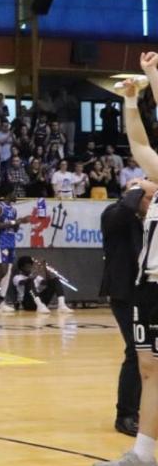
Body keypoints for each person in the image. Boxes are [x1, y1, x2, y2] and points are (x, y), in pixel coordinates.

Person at [95, 68, 158, 466]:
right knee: (148, 367)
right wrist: (131, 99)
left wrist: (153, 74)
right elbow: (137, 141)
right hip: (148, 282)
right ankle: (145, 454)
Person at [100, 182, 155, 437]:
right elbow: (124, 210)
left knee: (150, 354)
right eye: (149, 198)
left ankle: (145, 410)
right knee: (135, 350)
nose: (152, 203)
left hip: (146, 292)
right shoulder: (114, 214)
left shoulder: (150, 221)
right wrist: (139, 187)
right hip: (124, 294)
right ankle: (125, 415)